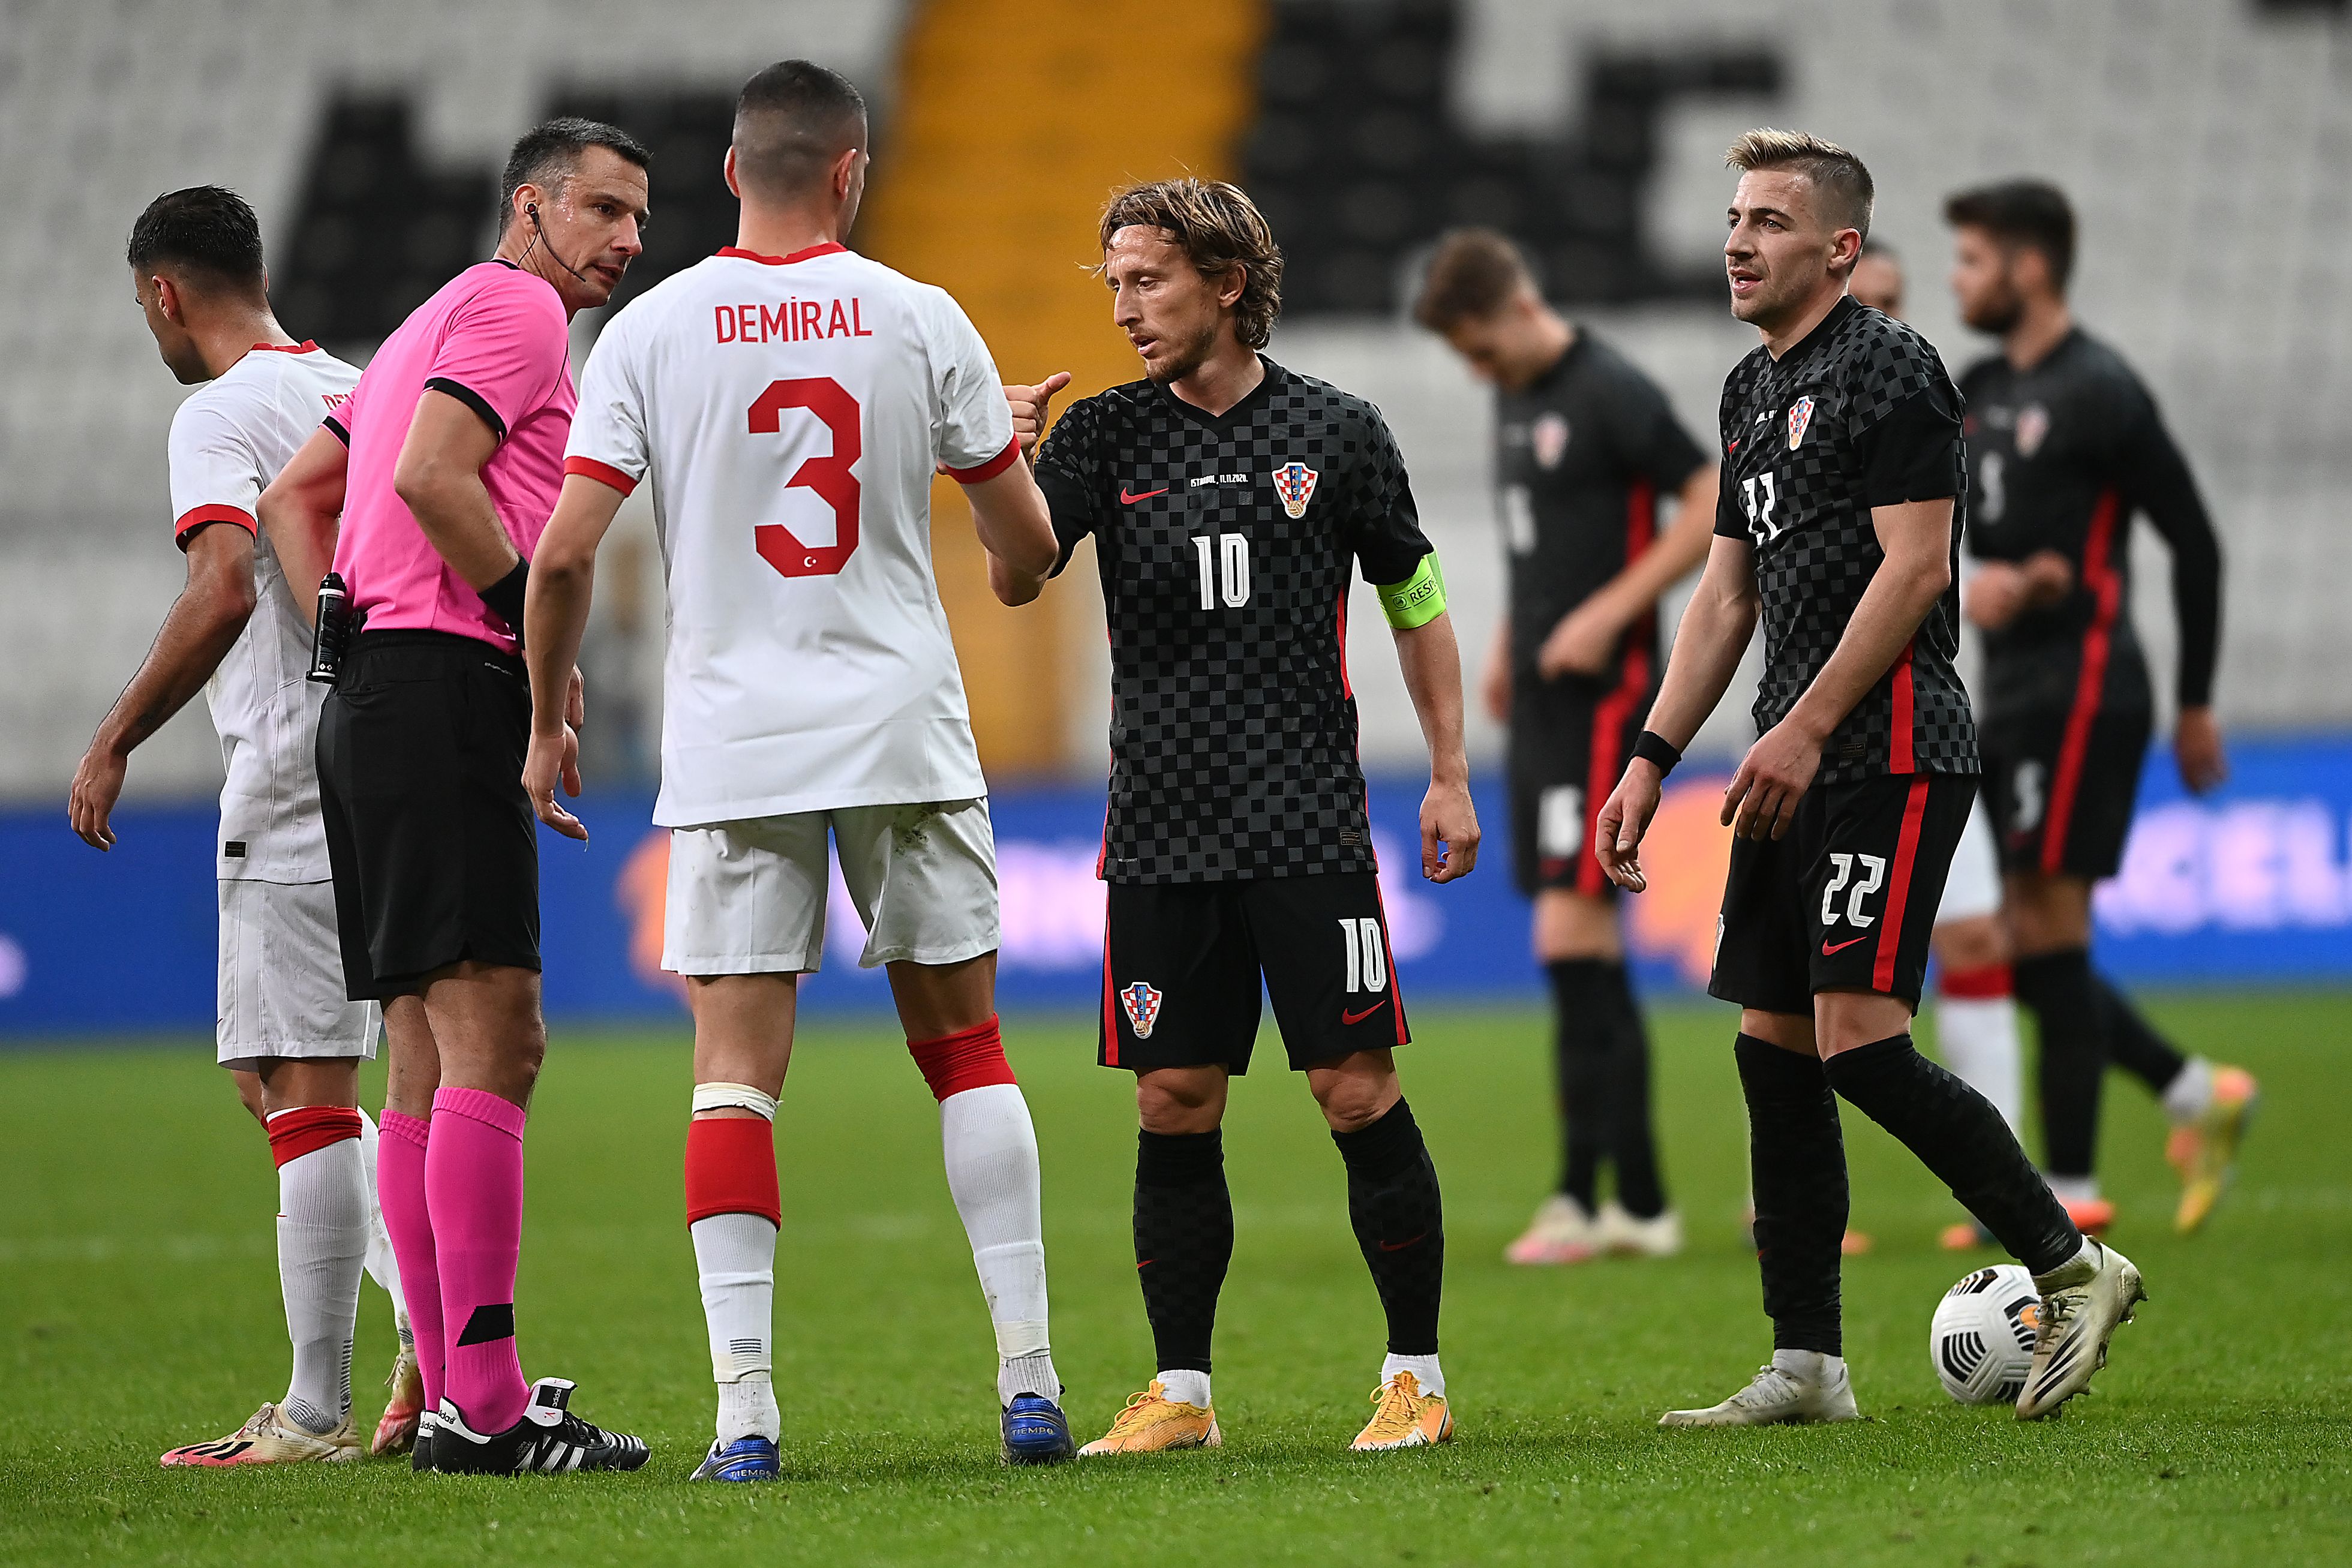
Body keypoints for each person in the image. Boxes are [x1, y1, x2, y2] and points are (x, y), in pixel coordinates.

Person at [520, 60, 1076, 1480]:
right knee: (966, 1050)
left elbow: (568, 550)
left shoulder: (648, 332)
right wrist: (993, 453)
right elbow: (1024, 551)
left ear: (728, 171)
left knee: (731, 1079)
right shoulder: (921, 318)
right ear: (851, 171)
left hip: (733, 742)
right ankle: (1028, 1386)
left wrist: (546, 719)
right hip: (899, 722)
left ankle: (746, 1418)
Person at [1596, 130, 2143, 1427]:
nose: (1738, 239)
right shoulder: (1746, 390)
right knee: (1771, 1044)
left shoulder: (1891, 368)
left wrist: (1800, 728)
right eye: (1733, 217)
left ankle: (2072, 1265)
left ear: (1838, 248)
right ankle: (1806, 1363)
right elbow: (1721, 597)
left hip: (1888, 746)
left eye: (1770, 220)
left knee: (1856, 1039)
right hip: (1789, 756)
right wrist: (1647, 754)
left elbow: (1913, 571)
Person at [998, 178, 1479, 1455]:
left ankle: (1416, 1377)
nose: (1122, 307)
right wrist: (991, 464)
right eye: (1110, 283)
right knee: (1171, 1098)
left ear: (1223, 282)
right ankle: (1182, 1394)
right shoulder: (1100, 438)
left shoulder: (1339, 430)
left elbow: (1415, 598)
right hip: (1158, 826)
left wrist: (1445, 767)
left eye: (1145, 280)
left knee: (1352, 1084)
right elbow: (1012, 572)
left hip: (1308, 820)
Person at [257, 118, 653, 1475]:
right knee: (502, 1034)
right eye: (603, 209)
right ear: (528, 206)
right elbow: (433, 476)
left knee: (424, 1048)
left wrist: (345, 622)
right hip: (439, 693)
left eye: (639, 221)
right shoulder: (519, 310)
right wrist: (526, 645)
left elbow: (303, 493)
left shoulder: (427, 317)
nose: (624, 242)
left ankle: (453, 1398)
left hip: (374, 699)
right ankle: (483, 1403)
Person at [71, 185, 419, 1466]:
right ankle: (426, 1319)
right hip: (384, 761)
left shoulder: (216, 412)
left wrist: (114, 734)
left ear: (165, 294)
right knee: (273, 1072)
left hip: (288, 766)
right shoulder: (358, 382)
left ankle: (318, 1409)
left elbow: (224, 582)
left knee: (306, 1081)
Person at [1945, 180, 2255, 1237]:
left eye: (1974, 261)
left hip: (2085, 689)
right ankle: (2189, 1091)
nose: (1960, 282)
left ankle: (2066, 1187)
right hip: (2008, 694)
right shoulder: (1977, 388)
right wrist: (1977, 578)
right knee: (2017, 938)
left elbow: (2194, 539)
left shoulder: (2099, 389)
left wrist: (2198, 699)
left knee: (2047, 930)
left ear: (2029, 267)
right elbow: (1937, 531)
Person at [1409, 229, 1714, 1265]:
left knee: (1570, 935)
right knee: (1570, 943)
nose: (1475, 370)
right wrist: (1508, 640)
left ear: (1513, 305)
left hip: (1605, 694)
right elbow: (1537, 542)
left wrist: (1612, 610)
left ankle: (1604, 1197)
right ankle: (1622, 1197)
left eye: (1478, 348)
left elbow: (1708, 497)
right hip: (1541, 697)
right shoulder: (1516, 398)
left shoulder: (1608, 388)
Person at [1846, 241, 2032, 1249]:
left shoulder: (1923, 393)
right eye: (1862, 298)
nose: (1874, 319)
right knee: (1788, 988)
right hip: (1824, 732)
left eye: (1889, 300)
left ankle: (2005, 1182)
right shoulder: (1781, 400)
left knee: (1974, 942)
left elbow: (1937, 545)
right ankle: (1788, 1203)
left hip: (1919, 718)